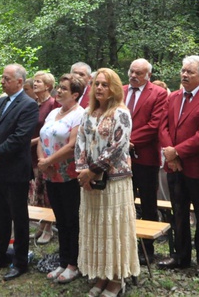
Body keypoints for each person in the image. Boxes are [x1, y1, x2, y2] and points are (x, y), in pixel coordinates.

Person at [74, 68, 140, 296]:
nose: (100, 88)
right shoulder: (87, 112)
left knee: (113, 227)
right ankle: (101, 275)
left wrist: (93, 171)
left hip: (113, 180)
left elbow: (118, 146)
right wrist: (82, 170)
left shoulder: (121, 113)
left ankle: (116, 278)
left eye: (105, 84)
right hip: (89, 181)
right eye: (97, 84)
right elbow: (79, 142)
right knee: (96, 228)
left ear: (113, 88)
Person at [158, 55, 199, 275]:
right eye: (183, 71)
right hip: (174, 166)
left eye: (190, 72)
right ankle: (180, 256)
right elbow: (163, 127)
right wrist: (170, 154)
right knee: (178, 213)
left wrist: (178, 151)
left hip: (196, 167)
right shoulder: (173, 97)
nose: (184, 75)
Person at [0, 64, 39, 281]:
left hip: (15, 171)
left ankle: (20, 261)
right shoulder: (0, 101)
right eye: (2, 78)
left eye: (6, 78)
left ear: (20, 82)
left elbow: (20, 137)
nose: (1, 81)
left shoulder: (29, 105)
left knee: (18, 217)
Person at [37, 74, 85, 284]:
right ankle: (63, 261)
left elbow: (72, 146)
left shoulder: (80, 115)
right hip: (50, 175)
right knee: (60, 220)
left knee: (71, 220)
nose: (59, 91)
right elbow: (41, 137)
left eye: (64, 89)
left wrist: (49, 162)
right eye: (59, 87)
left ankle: (74, 264)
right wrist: (41, 160)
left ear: (75, 94)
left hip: (69, 175)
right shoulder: (54, 112)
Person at [125, 58, 168, 265]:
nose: (134, 76)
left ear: (148, 76)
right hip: (120, 158)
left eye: (139, 73)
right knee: (124, 202)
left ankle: (147, 249)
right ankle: (125, 245)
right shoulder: (121, 91)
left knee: (148, 204)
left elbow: (154, 125)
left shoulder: (158, 94)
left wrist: (129, 141)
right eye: (132, 72)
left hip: (146, 157)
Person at [30, 70, 59, 244]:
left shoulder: (53, 104)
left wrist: (33, 142)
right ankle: (41, 225)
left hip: (45, 152)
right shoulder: (34, 104)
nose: (35, 84)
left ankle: (49, 227)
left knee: (48, 192)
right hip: (31, 154)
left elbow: (51, 132)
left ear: (48, 86)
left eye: (39, 82)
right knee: (38, 191)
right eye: (34, 81)